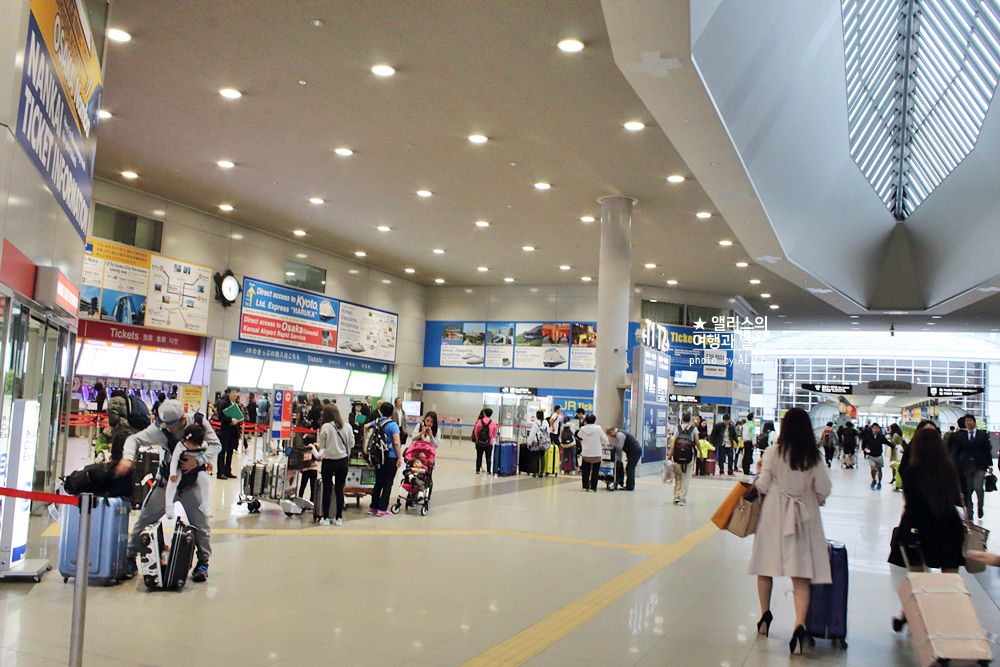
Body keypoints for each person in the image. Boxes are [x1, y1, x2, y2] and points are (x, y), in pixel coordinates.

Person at [748, 407, 832, 655]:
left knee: (766, 565)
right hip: (803, 518)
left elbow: (762, 486)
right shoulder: (814, 458)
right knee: (801, 574)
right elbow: (824, 489)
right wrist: (811, 499)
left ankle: (764, 618)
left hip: (774, 515)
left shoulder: (773, 452)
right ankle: (798, 626)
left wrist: (760, 469)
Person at [115, 400, 220, 583]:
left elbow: (215, 444)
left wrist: (199, 460)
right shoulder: (159, 429)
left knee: (201, 525)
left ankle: (203, 562)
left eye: (172, 426)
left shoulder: (198, 423)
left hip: (191, 484)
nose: (168, 429)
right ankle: (130, 558)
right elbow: (134, 439)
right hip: (165, 484)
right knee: (144, 520)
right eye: (165, 426)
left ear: (182, 420)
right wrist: (127, 459)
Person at [888, 423, 966, 633]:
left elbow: (911, 500)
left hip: (919, 526)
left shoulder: (912, 470)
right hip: (949, 526)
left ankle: (912, 615)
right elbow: (959, 497)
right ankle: (952, 617)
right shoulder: (950, 468)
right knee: (950, 576)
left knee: (918, 577)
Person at [164, 423, 212, 520]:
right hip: (180, 467)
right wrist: (172, 473)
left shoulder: (204, 445)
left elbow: (207, 454)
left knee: (205, 481)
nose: (190, 446)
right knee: (173, 482)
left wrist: (209, 463)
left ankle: (205, 505)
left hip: (197, 468)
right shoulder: (181, 446)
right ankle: (169, 506)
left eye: (193, 445)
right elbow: (174, 460)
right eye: (188, 443)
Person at [315, 403, 352, 526]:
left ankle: (325, 518)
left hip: (329, 461)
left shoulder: (326, 426)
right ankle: (339, 517)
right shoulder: (347, 426)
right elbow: (351, 443)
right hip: (343, 461)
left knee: (327, 489)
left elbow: (322, 445)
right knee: (339, 489)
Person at [955, 413, 994, 520]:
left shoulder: (982, 435)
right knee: (968, 490)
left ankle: (980, 506)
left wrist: (990, 464)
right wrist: (955, 464)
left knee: (978, 487)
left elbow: (987, 450)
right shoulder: (962, 436)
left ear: (974, 422)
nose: (968, 423)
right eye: (966, 421)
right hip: (966, 466)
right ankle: (969, 511)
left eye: (970, 421)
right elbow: (958, 451)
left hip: (980, 466)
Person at [368, 402, 402, 516]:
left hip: (378, 456)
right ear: (392, 412)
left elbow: (365, 426)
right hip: (390, 457)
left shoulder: (377, 422)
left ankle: (373, 507)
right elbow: (397, 442)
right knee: (388, 483)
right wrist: (400, 457)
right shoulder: (393, 425)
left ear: (381, 411)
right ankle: (382, 509)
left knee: (378, 482)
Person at [667, 413, 698, 505]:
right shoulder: (694, 429)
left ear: (682, 419)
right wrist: (700, 453)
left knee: (678, 477)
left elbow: (674, 443)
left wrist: (670, 455)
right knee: (686, 478)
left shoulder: (677, 428)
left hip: (677, 455)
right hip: (689, 456)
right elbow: (697, 442)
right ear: (690, 419)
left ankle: (676, 496)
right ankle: (682, 498)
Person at [214, 387, 240, 479]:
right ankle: (220, 472)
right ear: (228, 393)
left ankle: (227, 470)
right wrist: (230, 419)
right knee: (222, 452)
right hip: (225, 431)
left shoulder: (235, 404)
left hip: (233, 431)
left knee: (230, 451)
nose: (235, 394)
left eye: (236, 392)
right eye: (233, 392)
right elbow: (220, 416)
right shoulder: (224, 403)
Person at [578, 414, 609, 492]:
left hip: (586, 453)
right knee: (595, 471)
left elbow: (579, 435)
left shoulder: (583, 428)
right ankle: (593, 487)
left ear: (586, 421)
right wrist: (605, 443)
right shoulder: (598, 428)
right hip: (596, 453)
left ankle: (585, 486)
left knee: (585, 471)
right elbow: (604, 438)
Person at [607, 426, 642, 491]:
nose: (612, 437)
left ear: (612, 432)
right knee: (630, 468)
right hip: (635, 451)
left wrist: (615, 450)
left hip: (634, 451)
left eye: (611, 435)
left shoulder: (619, 434)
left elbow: (620, 446)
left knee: (630, 468)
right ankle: (629, 485)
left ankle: (630, 486)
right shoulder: (622, 432)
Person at [105, 394, 137, 462]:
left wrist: (111, 427)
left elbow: (113, 418)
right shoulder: (128, 400)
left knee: (118, 455)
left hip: (121, 431)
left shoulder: (114, 400)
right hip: (133, 430)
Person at [862, 423, 891, 490]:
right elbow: (863, 445)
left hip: (879, 455)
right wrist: (865, 449)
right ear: (872, 429)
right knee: (872, 468)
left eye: (877, 428)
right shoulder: (868, 436)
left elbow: (887, 442)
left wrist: (895, 447)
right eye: (874, 428)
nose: (876, 429)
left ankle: (879, 482)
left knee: (879, 470)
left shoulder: (881, 437)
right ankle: (874, 480)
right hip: (871, 455)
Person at [472, 408, 498, 475]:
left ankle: (477, 470)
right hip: (489, 443)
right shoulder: (493, 423)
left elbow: (476, 431)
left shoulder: (480, 421)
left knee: (479, 456)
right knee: (488, 457)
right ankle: (488, 471)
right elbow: (494, 434)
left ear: (485, 413)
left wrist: (478, 438)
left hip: (479, 442)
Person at [527, 411, 550, 477]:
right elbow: (548, 432)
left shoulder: (535, 424)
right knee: (542, 457)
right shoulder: (546, 423)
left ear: (537, 415)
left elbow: (532, 434)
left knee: (535, 457)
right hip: (544, 442)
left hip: (536, 442)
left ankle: (535, 472)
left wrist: (529, 442)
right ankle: (541, 473)